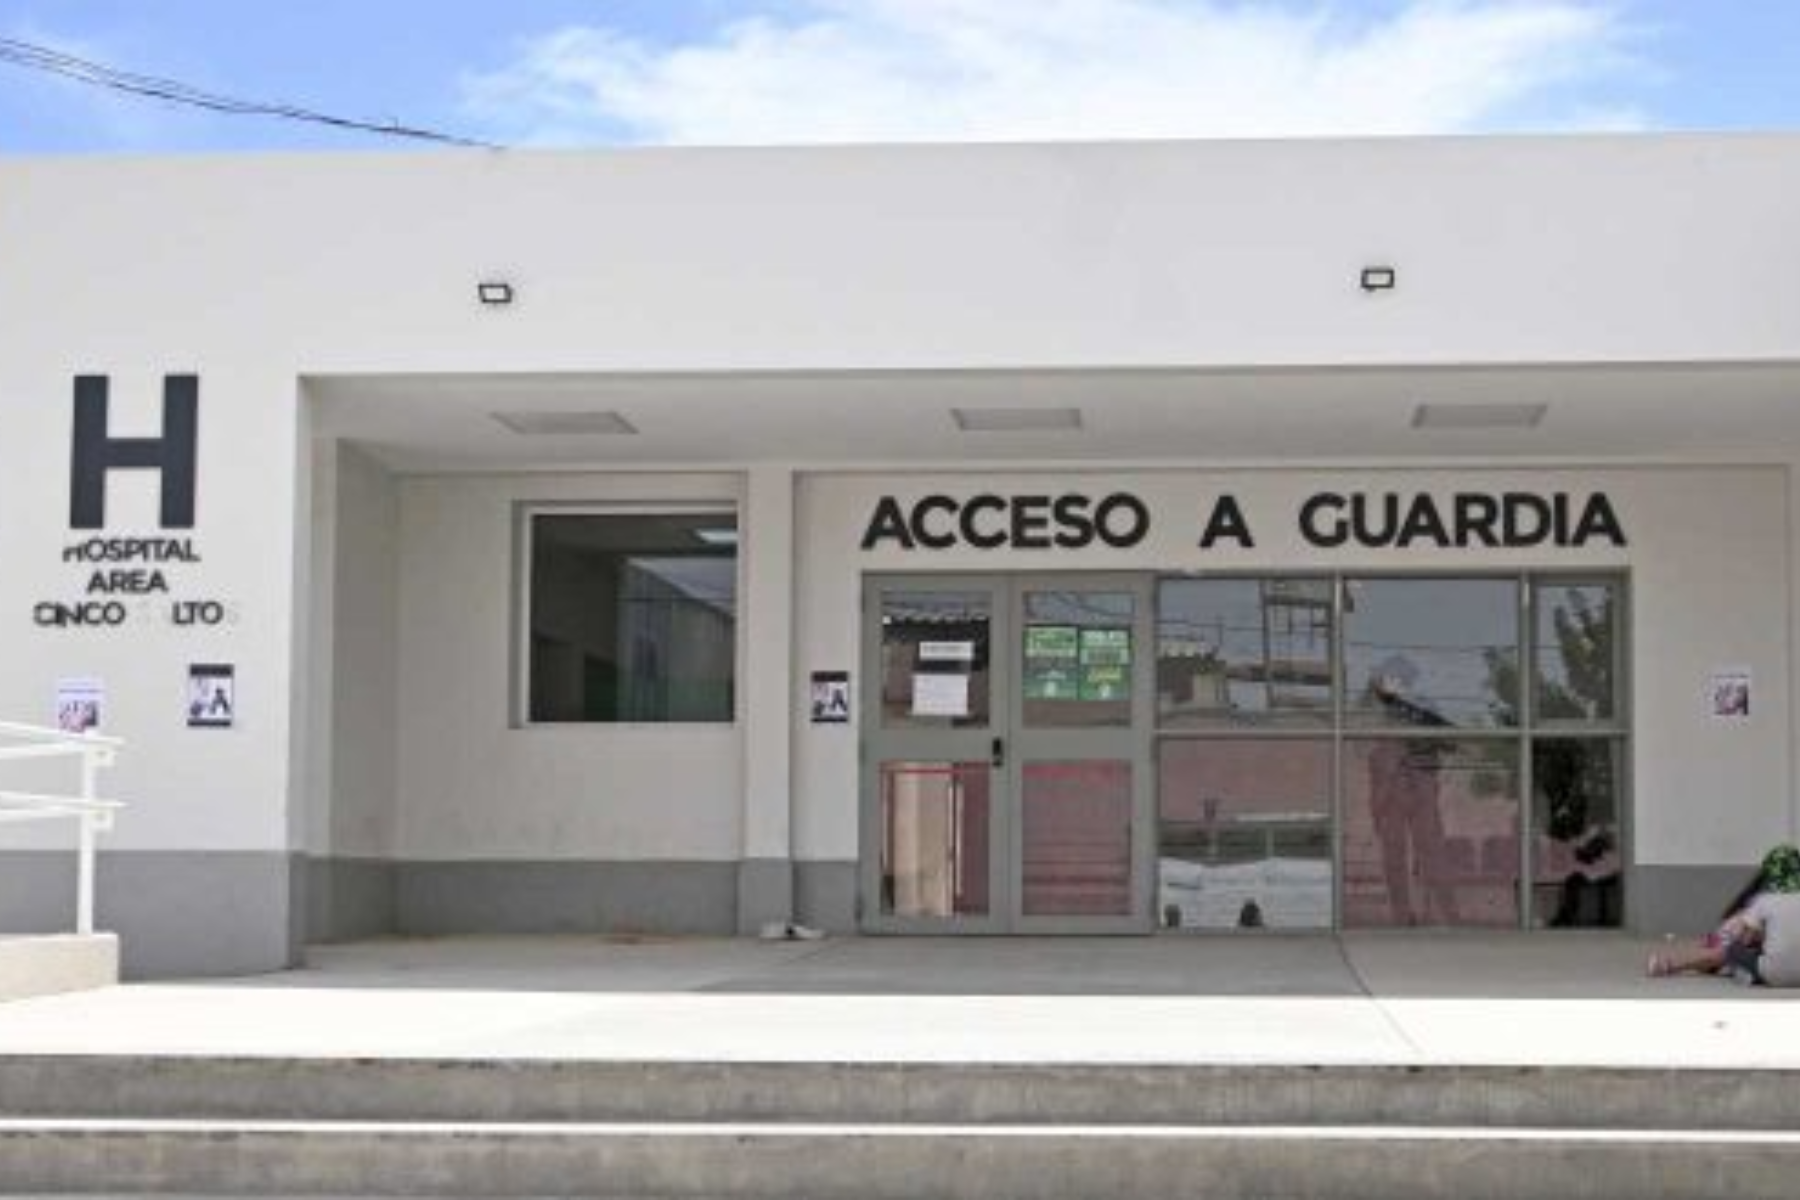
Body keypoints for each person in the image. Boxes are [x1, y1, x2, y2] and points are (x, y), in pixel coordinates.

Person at [1647, 843, 1800, 981]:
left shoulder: (1765, 900)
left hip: (1772, 974)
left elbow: (1744, 940)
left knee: (1730, 951)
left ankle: (1670, 965)